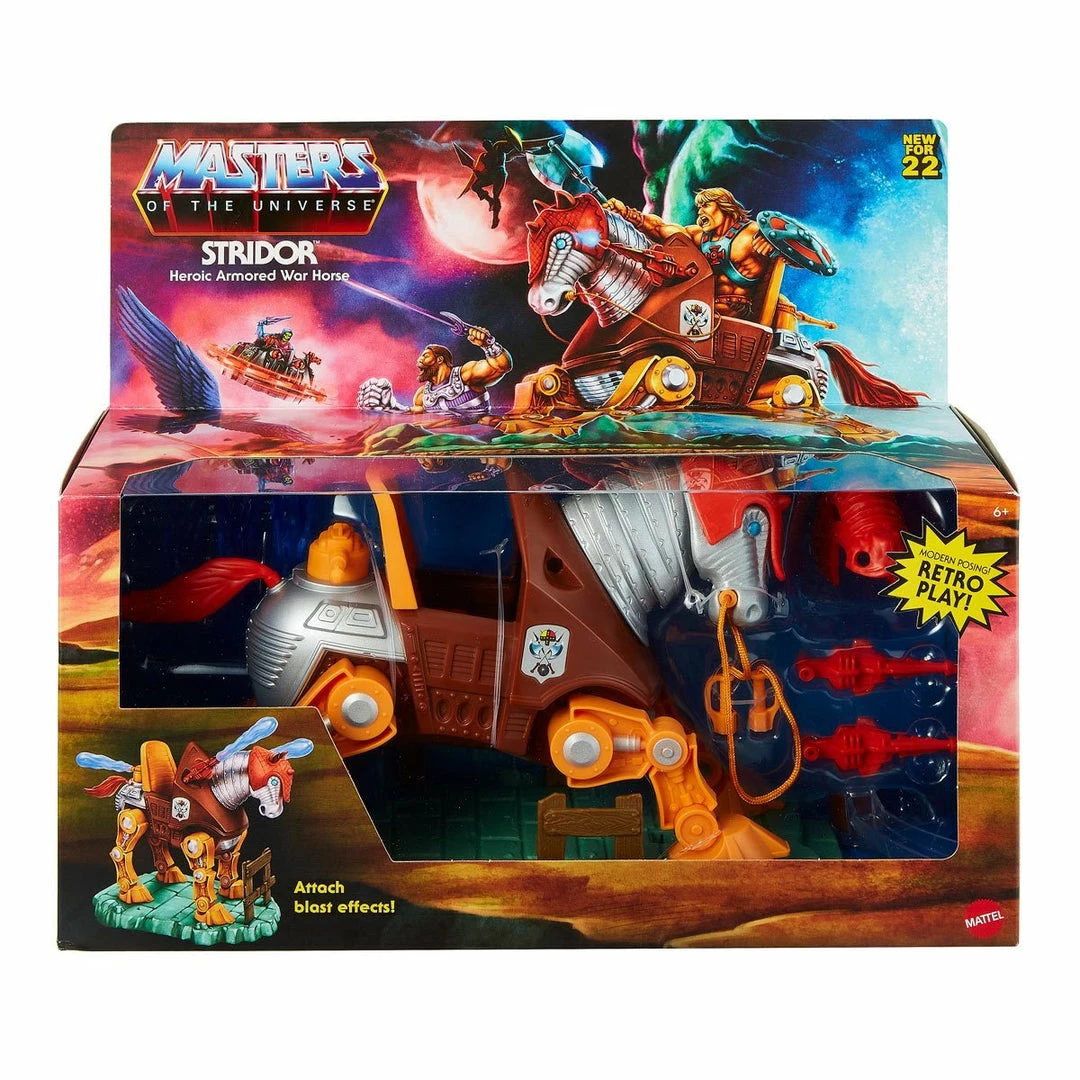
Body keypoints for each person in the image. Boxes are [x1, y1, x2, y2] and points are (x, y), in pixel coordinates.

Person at [604, 188, 786, 319]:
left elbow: (797, 247)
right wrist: (627, 213)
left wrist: (776, 243)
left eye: (705, 205)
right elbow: (659, 228)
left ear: (725, 206)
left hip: (735, 314)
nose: (700, 211)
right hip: (701, 310)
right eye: (699, 207)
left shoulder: (753, 232)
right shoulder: (699, 236)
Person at [357, 325, 512, 413]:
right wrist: (391, 407)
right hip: (444, 445)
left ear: (439, 359)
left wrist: (488, 344)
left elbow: (502, 366)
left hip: (478, 443)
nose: (419, 360)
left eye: (425, 356)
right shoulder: (421, 396)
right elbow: (417, 420)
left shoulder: (466, 375)